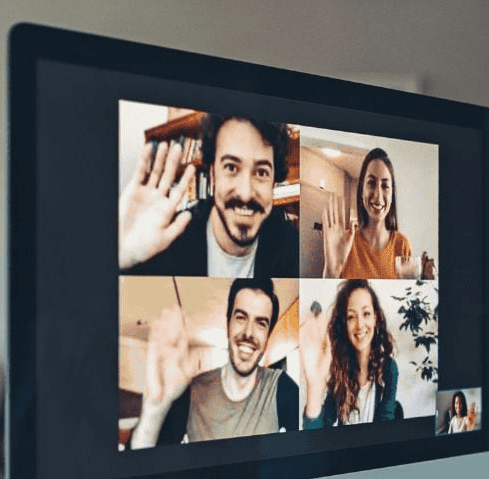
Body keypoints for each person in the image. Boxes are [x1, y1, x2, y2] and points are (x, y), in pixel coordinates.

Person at [119, 114, 298, 278]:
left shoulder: (292, 248)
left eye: (261, 172)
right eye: (231, 167)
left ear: (274, 182)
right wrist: (122, 256)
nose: (245, 193)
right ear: (212, 175)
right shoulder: (166, 242)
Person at [129, 278, 298, 448]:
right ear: (228, 323)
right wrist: (154, 409)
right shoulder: (192, 392)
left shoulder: (282, 387)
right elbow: (140, 465)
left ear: (268, 335)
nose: (248, 333)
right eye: (241, 318)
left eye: (261, 324)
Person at [300, 279, 399, 426]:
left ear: (375, 318)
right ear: (344, 324)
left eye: (366, 313)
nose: (360, 325)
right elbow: (318, 431)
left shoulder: (389, 368)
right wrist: (313, 389)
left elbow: (385, 427)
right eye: (351, 317)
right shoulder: (338, 370)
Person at [321, 148, 415, 279]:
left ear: (392, 193)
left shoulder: (402, 244)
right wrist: (332, 270)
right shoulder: (346, 243)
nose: (378, 195)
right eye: (371, 183)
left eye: (385, 186)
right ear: (361, 190)